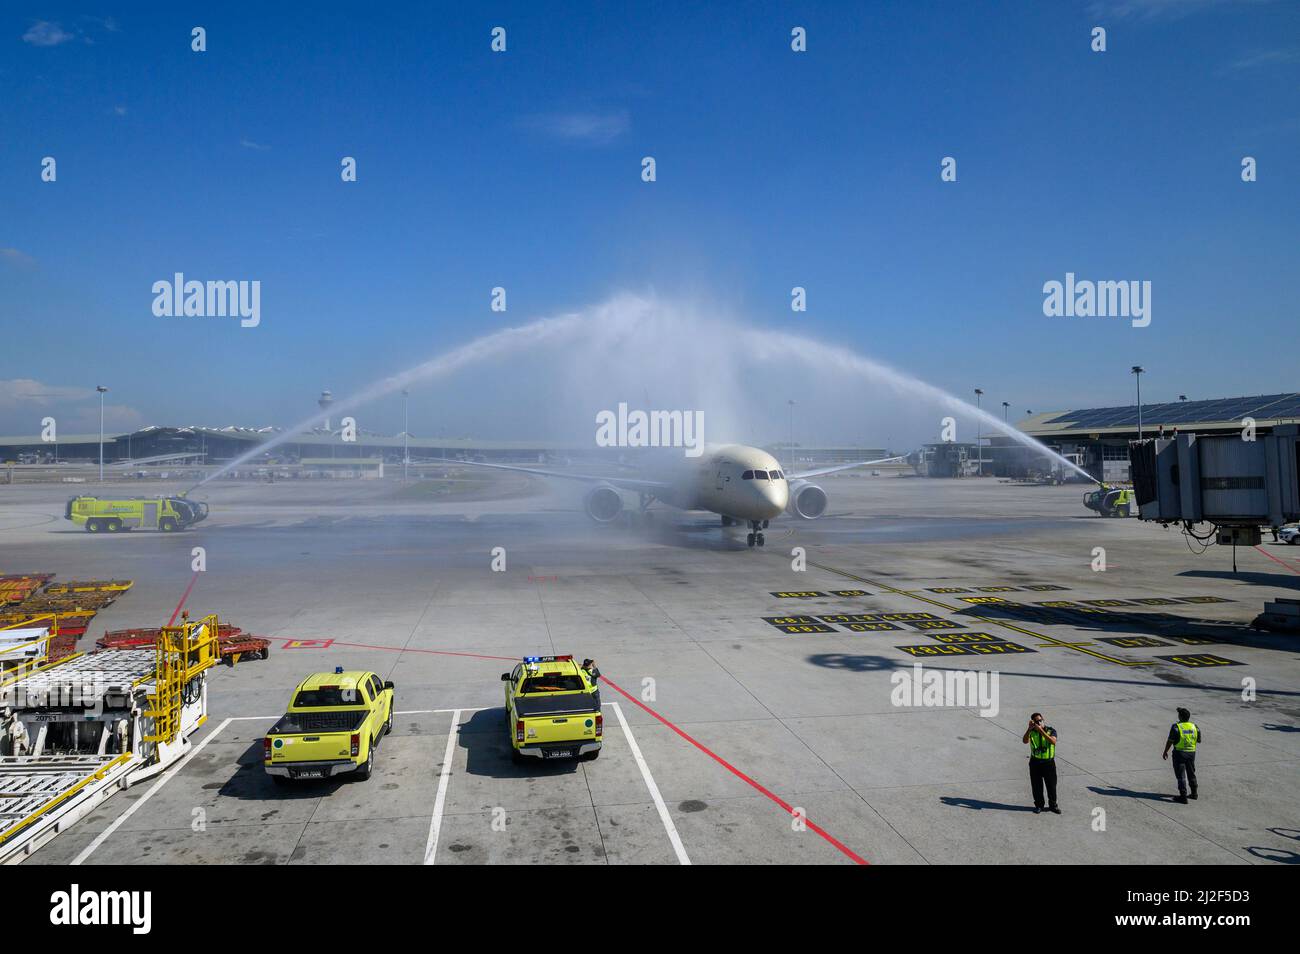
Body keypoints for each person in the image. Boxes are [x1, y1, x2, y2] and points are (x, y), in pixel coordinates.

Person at [1022, 712, 1060, 814]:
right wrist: (1029, 729)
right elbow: (1025, 741)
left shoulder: (1051, 730)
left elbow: (1053, 741)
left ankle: (1053, 805)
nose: (1039, 722)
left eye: (1040, 720)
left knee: (1051, 786)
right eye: (1036, 721)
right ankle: (1039, 805)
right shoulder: (1032, 731)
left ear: (1043, 720)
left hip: (1048, 763)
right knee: (1036, 786)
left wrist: (1041, 731)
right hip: (1035, 763)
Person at [1162, 707, 1200, 804]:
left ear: (1180, 717)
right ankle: (1194, 793)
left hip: (1179, 753)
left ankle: (1183, 796)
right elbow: (1198, 740)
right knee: (1191, 773)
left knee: (1181, 775)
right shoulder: (1195, 727)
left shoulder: (1176, 727)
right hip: (1191, 753)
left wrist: (1165, 751)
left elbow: (1170, 741)